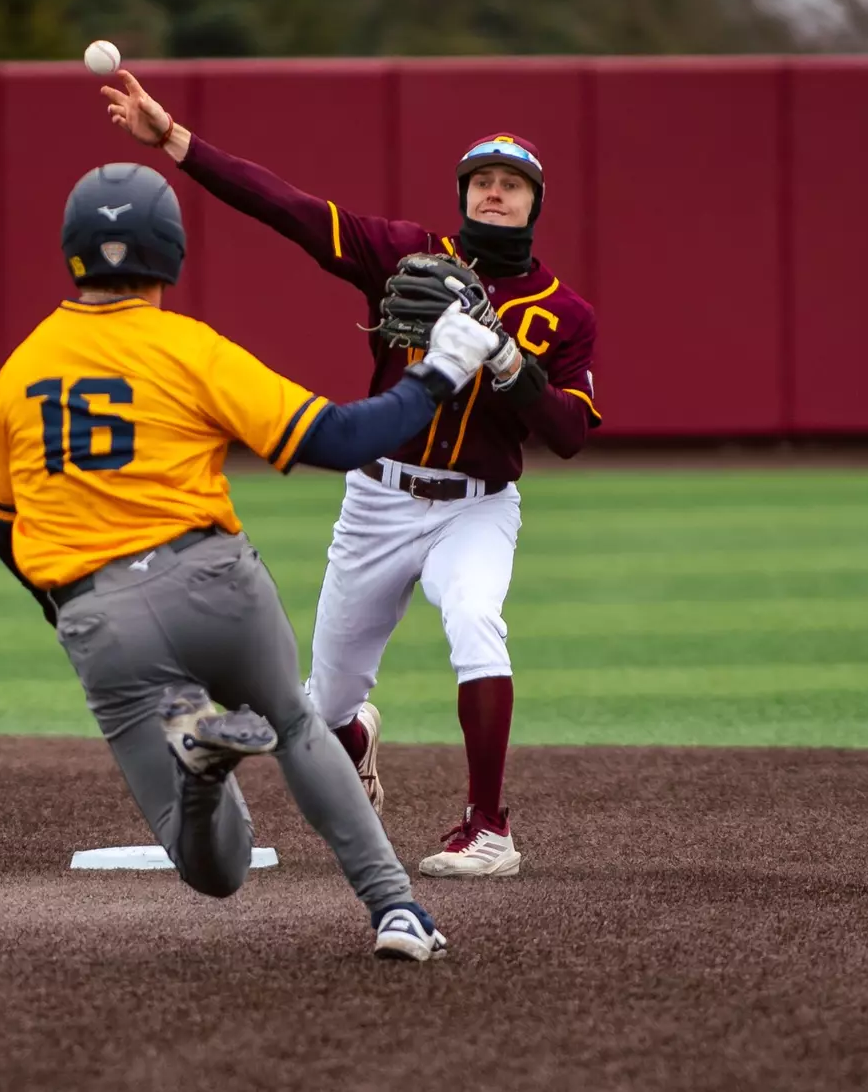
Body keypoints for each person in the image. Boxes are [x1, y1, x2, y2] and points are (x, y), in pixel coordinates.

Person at [0, 162, 516, 958]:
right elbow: (337, 439)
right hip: (215, 585)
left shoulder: (19, 372)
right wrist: (436, 373)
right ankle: (396, 910)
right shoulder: (189, 349)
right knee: (298, 724)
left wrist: (68, 612)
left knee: (213, 869)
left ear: (73, 251)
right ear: (170, 249)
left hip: (102, 619)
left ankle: (202, 773)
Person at [101, 70, 603, 878]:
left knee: (477, 621)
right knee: (322, 712)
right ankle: (359, 734)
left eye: (512, 185)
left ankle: (489, 828)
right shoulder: (407, 254)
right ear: (465, 193)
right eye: (483, 182)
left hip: (476, 509)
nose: (496, 196)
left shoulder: (562, 313)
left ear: (534, 202)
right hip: (376, 500)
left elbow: (571, 435)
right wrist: (174, 142)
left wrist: (511, 361)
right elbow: (290, 211)